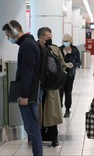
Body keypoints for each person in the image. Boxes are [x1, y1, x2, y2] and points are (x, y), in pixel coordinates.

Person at [2, 20, 43, 156]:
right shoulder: (29, 43)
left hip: (29, 94)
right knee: (32, 127)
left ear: (14, 31)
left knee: (32, 128)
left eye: (8, 34)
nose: (8, 38)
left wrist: (25, 95)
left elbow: (27, 72)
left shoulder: (27, 46)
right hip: (31, 91)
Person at [37, 27, 66, 147]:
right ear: (40, 37)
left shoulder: (54, 49)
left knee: (52, 113)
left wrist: (60, 77)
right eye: (48, 38)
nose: (50, 40)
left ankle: (54, 138)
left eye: (51, 37)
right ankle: (36, 137)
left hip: (51, 87)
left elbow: (62, 64)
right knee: (38, 113)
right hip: (38, 86)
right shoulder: (35, 49)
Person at [59, 34, 82, 117]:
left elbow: (79, 62)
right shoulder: (59, 49)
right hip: (61, 74)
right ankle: (59, 108)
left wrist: (73, 64)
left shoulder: (75, 50)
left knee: (68, 92)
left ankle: (67, 109)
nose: (66, 42)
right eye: (64, 41)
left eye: (67, 41)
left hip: (70, 74)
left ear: (71, 41)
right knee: (60, 92)